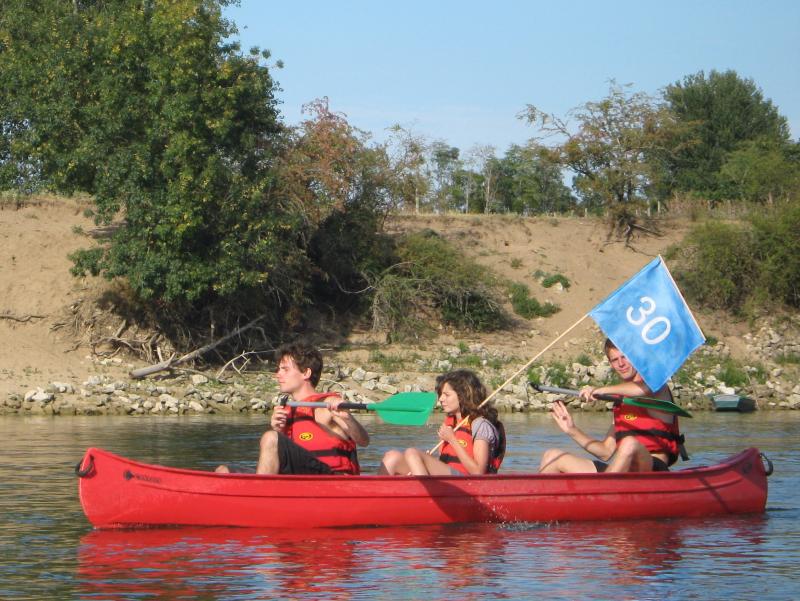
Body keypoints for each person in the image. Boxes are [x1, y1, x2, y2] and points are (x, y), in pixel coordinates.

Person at [216, 342, 369, 475]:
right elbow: (286, 459)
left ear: (306, 373)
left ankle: (261, 499)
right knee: (224, 471)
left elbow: (363, 440)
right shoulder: (287, 411)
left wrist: (347, 418)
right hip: (298, 479)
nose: (278, 375)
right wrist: (279, 430)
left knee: (270, 438)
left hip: (330, 480)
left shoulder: (328, 404)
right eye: (278, 369)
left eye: (285, 369)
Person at [538, 338, 684, 474]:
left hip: (653, 468)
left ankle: (603, 492)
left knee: (629, 444)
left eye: (625, 357)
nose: (621, 364)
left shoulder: (657, 387)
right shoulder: (622, 402)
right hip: (621, 472)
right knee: (551, 456)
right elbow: (605, 452)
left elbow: (642, 389)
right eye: (615, 360)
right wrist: (572, 430)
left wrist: (600, 390)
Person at [379, 369, 505, 476]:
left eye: (446, 395)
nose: (441, 399)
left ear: (463, 395)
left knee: (412, 453)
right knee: (392, 457)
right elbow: (446, 464)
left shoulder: (481, 425)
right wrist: (427, 461)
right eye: (440, 395)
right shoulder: (452, 423)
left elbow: (478, 472)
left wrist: (452, 440)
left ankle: (425, 501)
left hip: (467, 484)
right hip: (449, 482)